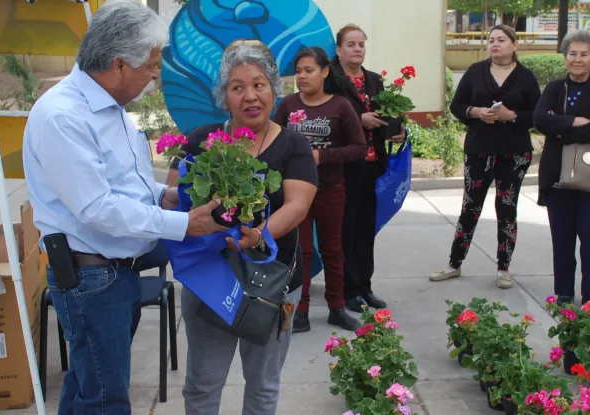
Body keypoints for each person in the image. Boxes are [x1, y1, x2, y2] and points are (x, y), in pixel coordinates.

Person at [21, 1, 224, 413]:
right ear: (118, 64)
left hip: (115, 273)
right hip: (91, 275)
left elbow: (119, 181)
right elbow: (98, 207)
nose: (154, 75)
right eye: (150, 66)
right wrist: (183, 223)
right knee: (106, 400)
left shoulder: (107, 107)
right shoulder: (64, 117)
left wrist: (160, 195)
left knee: (86, 387)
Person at [166, 42, 318, 415]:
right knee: (202, 386)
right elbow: (172, 198)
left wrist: (260, 234)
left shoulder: (294, 145)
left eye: (259, 85)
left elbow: (298, 205)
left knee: (263, 387)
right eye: (237, 87)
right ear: (225, 96)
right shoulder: (201, 140)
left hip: (272, 282)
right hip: (210, 281)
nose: (249, 96)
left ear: (273, 90)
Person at [430, 25, 540, 288]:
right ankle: (454, 263)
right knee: (470, 207)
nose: (495, 44)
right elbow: (457, 106)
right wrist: (476, 112)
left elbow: (538, 114)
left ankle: (504, 268)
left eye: (502, 40)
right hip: (479, 150)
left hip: (514, 153)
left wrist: (511, 116)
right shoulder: (475, 72)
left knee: (506, 209)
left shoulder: (525, 77)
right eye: (491, 40)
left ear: (515, 45)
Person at [273, 47, 366, 333]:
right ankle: (299, 311)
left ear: (325, 72)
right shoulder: (287, 105)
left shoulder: (340, 106)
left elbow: (359, 148)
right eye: (298, 71)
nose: (301, 76)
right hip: (294, 193)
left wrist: (321, 157)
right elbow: (273, 143)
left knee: (332, 249)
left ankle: (336, 307)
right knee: (299, 252)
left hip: (330, 188)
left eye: (308, 70)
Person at [533, 30, 590, 306]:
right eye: (572, 53)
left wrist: (562, 127)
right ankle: (564, 292)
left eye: (584, 54)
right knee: (563, 237)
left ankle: (589, 292)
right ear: (565, 56)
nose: (577, 60)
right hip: (557, 173)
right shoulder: (555, 88)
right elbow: (540, 120)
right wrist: (578, 122)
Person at [331, 24, 406, 313]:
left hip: (373, 165)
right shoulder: (332, 81)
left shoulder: (374, 80)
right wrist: (357, 120)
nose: (357, 49)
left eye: (361, 44)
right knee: (345, 231)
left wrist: (398, 130)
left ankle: (365, 286)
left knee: (365, 229)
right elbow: (327, 117)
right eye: (351, 44)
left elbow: (386, 115)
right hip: (344, 166)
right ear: (339, 50)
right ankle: (347, 290)